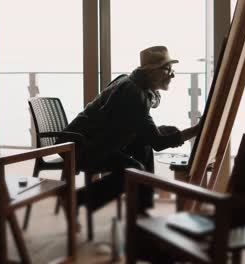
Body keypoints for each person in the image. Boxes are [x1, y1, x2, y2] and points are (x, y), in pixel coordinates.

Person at [56, 45, 200, 214]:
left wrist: (167, 131)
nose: (172, 74)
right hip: (80, 148)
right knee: (134, 170)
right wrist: (197, 129)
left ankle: (142, 209)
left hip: (97, 142)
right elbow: (158, 142)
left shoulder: (133, 84)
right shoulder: (134, 94)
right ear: (151, 71)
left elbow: (138, 128)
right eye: (167, 69)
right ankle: (75, 201)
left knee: (143, 146)